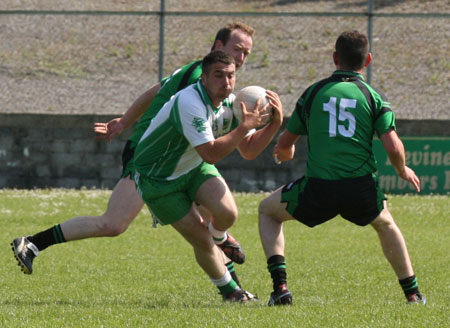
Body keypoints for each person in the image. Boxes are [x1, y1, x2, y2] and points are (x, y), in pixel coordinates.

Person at [11, 23, 256, 287]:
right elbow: (162, 95)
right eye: (237, 49)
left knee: (208, 221)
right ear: (219, 46)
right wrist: (127, 123)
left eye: (247, 53)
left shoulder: (206, 73)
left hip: (177, 160)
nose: (241, 58)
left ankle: (235, 289)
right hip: (151, 157)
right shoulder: (203, 75)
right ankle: (33, 243)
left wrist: (124, 121)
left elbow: (156, 89)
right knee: (114, 223)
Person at [258, 30, 426, 306]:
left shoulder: (314, 93)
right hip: (360, 187)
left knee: (267, 211)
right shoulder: (373, 97)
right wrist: (402, 170)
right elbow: (393, 147)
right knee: (386, 225)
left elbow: (287, 141)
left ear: (335, 58)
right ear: (368, 60)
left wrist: (285, 153)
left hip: (318, 188)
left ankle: (281, 289)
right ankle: (413, 293)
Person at [133, 50, 282, 301]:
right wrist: (246, 125)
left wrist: (274, 125)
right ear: (204, 77)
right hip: (157, 178)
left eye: (231, 76)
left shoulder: (232, 104)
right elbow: (211, 154)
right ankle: (230, 292)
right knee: (201, 239)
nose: (226, 82)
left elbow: (249, 150)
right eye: (219, 75)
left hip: (193, 167)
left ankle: (220, 235)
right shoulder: (189, 102)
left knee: (228, 213)